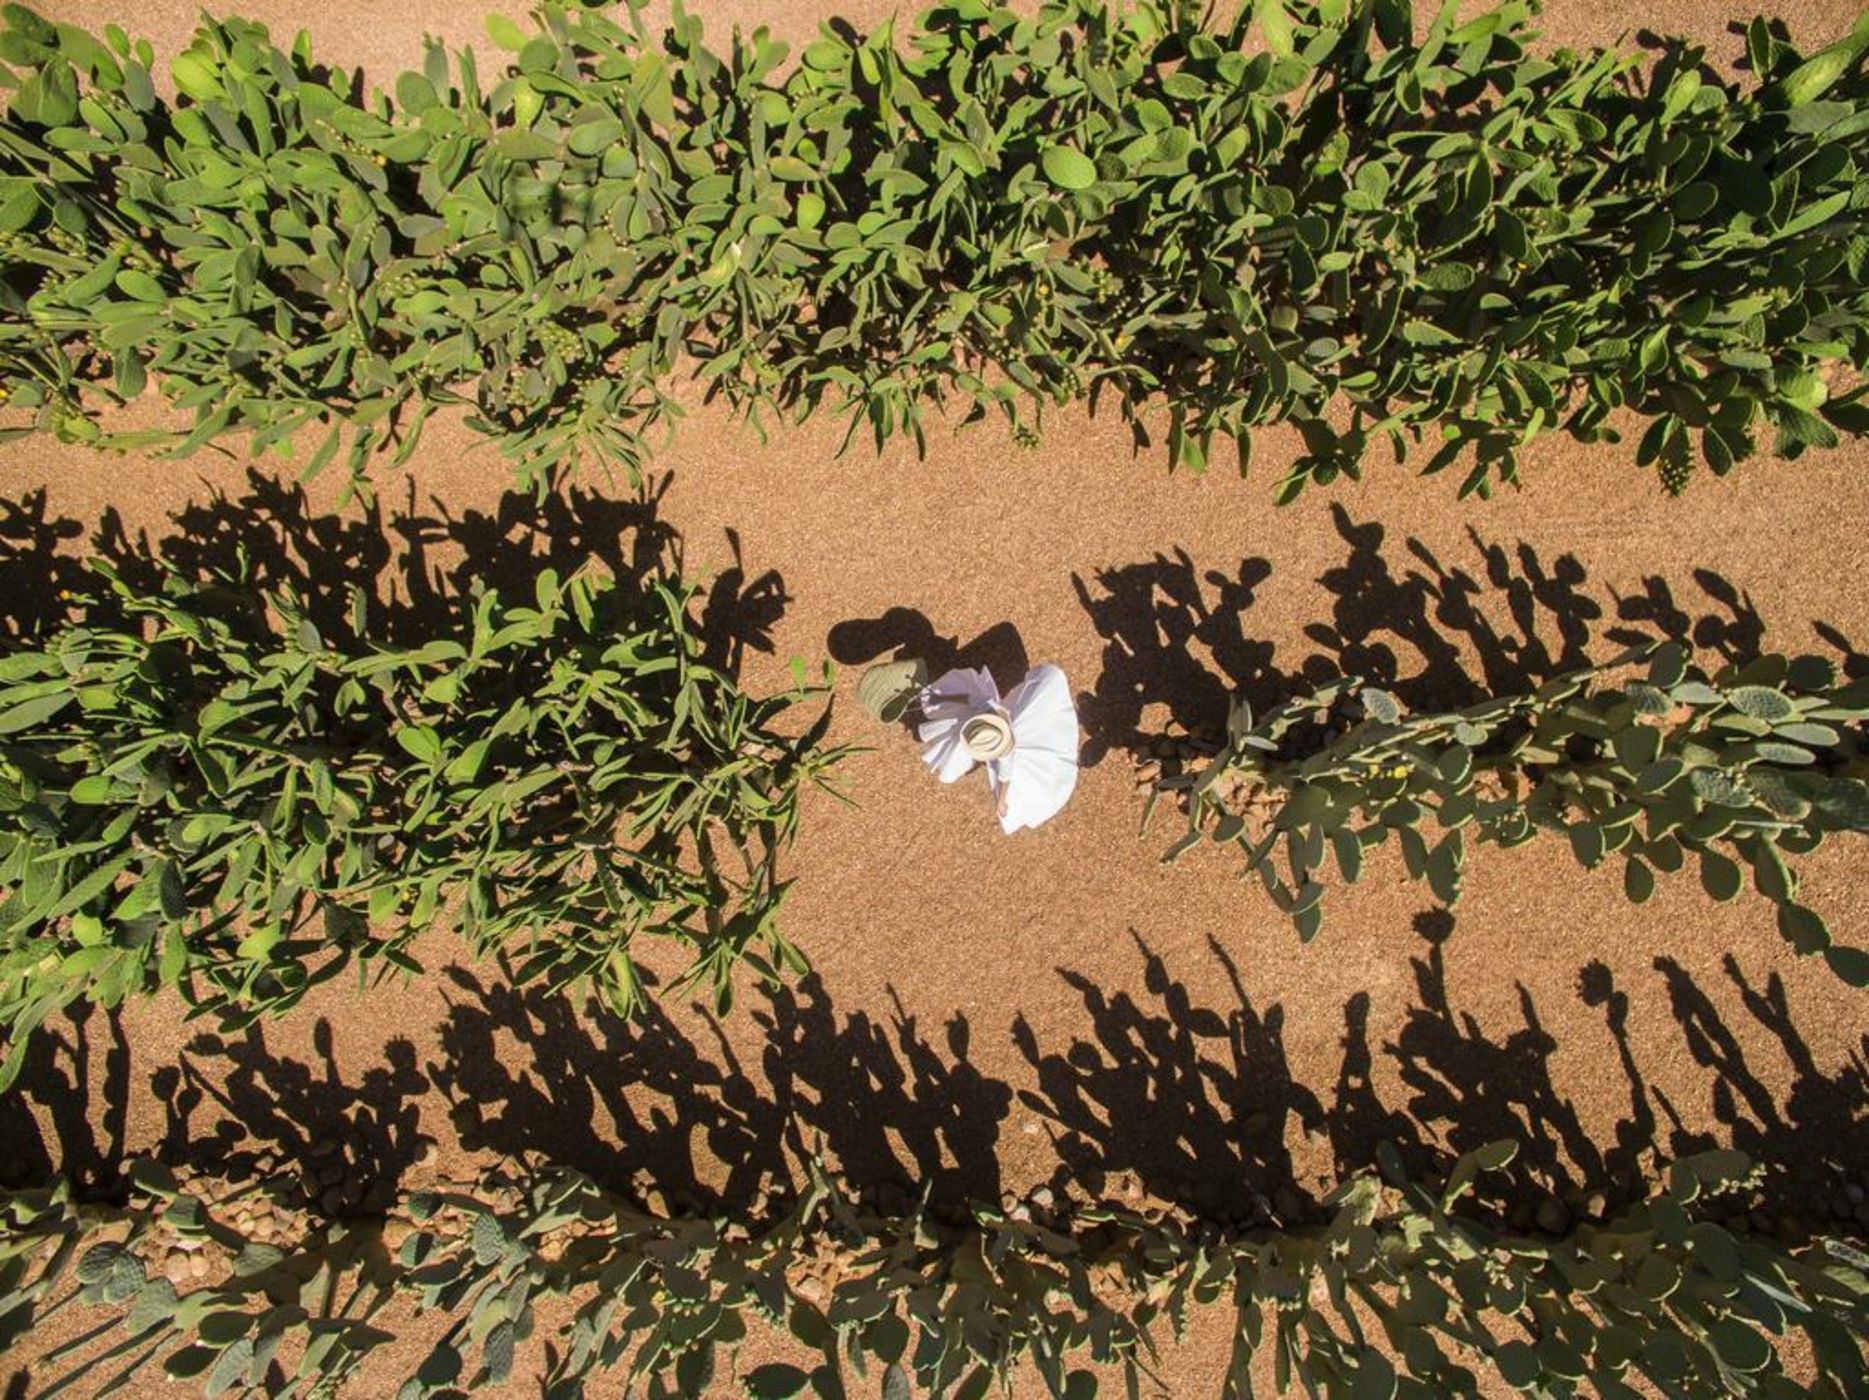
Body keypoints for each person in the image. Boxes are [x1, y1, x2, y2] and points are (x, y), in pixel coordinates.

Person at [916, 664, 1078, 832]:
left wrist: (941, 698)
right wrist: (1001, 801)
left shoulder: (1003, 746)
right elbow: (1004, 779)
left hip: (989, 725)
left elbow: (1005, 777)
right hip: (988, 726)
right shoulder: (987, 711)